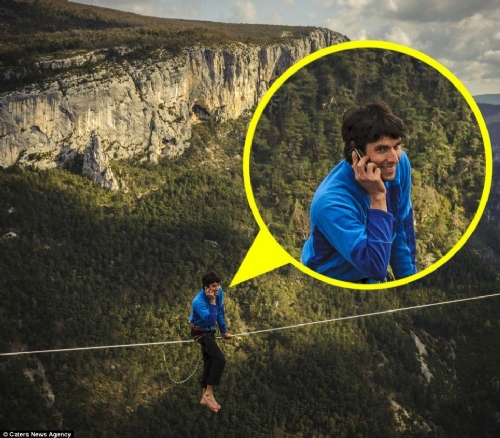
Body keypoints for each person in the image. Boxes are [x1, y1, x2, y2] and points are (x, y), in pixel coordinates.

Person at [301, 101, 417, 283]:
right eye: (382, 149)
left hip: (370, 274)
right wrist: (378, 197)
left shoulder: (399, 166)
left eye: (396, 146)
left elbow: (401, 230)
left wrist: (410, 282)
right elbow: (375, 267)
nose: (394, 158)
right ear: (357, 151)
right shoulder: (331, 202)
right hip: (331, 282)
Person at [189, 272, 231, 413]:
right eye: (213, 286)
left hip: (210, 332)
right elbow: (210, 320)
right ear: (206, 287)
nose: (217, 288)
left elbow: (220, 312)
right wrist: (212, 301)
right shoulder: (198, 301)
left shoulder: (219, 293)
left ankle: (204, 396)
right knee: (220, 360)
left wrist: (223, 331)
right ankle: (209, 393)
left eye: (218, 285)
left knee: (209, 362)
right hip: (200, 333)